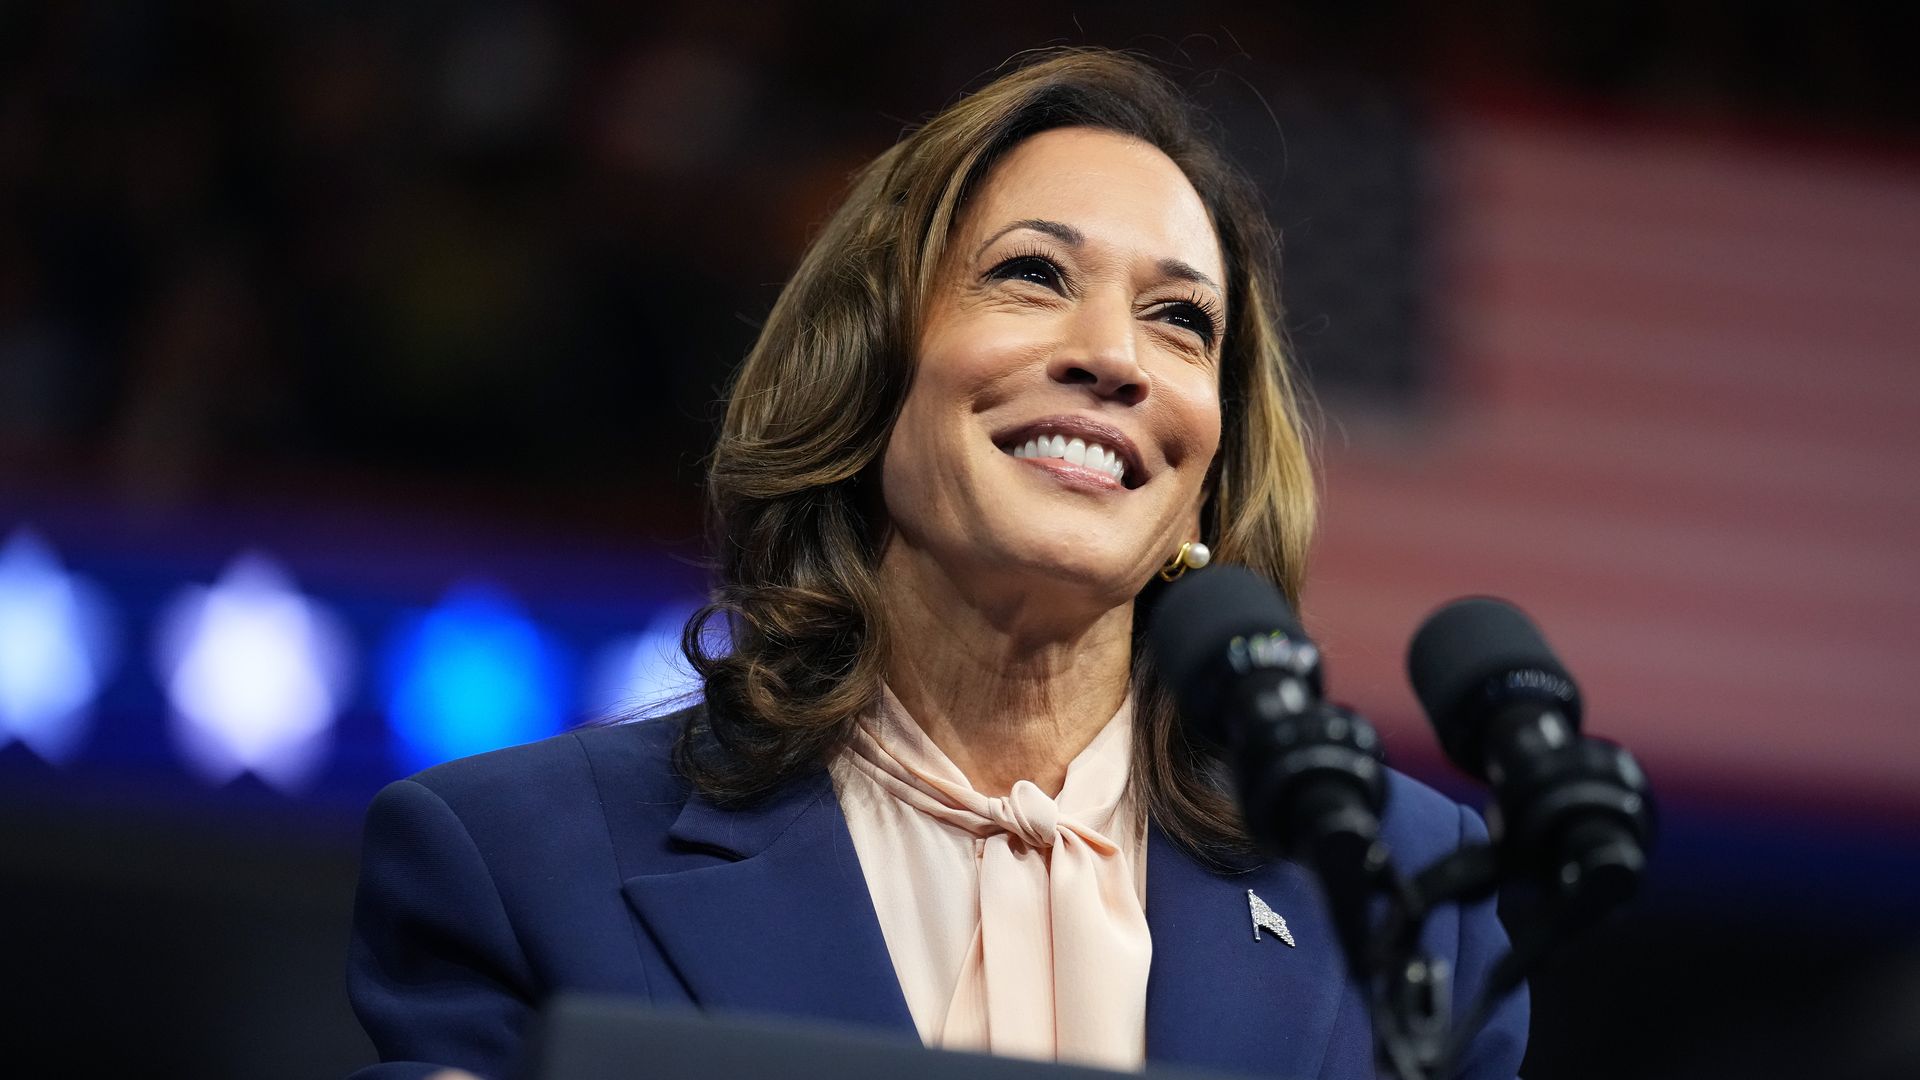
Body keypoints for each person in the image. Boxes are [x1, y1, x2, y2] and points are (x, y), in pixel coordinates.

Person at [346, 49, 1527, 1080]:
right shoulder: (523, 866)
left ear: (1208, 471)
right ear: (870, 367)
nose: (1115, 355)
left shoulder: (1406, 899)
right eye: (1032, 274)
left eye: (1181, 320)